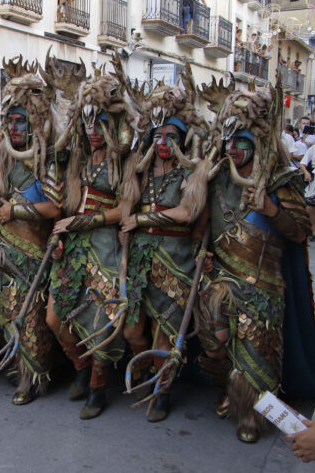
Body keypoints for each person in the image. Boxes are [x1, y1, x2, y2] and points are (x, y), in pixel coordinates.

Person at [197, 80, 313, 444]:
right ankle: (226, 390)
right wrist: (202, 251)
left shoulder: (279, 178)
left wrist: (271, 209)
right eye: (228, 141)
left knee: (255, 355)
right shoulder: (216, 177)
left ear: (257, 140)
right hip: (221, 279)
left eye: (241, 141)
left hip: (262, 286)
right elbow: (203, 224)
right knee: (214, 342)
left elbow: (299, 232)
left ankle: (250, 412)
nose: (232, 149)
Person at [47, 63, 139, 419]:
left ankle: (98, 385)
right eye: (85, 122)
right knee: (55, 318)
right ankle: (81, 368)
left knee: (102, 319)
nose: (92, 131)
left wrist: (81, 222)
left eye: (98, 122)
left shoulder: (126, 160)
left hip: (104, 245)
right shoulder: (79, 157)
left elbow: (124, 211)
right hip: (72, 245)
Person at [119, 67, 211, 423]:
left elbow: (187, 214)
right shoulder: (138, 170)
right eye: (158, 134)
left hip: (175, 260)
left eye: (171, 135)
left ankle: (163, 390)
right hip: (140, 258)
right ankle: (143, 369)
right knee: (131, 329)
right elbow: (126, 208)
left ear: (183, 138)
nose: (163, 142)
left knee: (166, 330)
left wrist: (142, 219)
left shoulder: (192, 171)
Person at [0, 55, 65, 405]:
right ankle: (18, 362)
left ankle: (34, 376)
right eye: (10, 121)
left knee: (30, 316)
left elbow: (55, 208)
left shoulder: (48, 162)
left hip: (34, 255)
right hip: (3, 253)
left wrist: (15, 210)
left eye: (21, 122)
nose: (14, 128)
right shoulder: (2, 159)